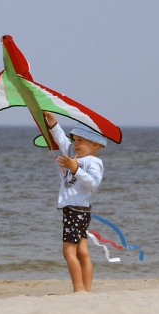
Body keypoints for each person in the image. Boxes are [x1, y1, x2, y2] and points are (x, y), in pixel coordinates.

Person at [43, 112, 107, 293]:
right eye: (75, 140)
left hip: (76, 211)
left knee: (69, 252)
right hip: (77, 210)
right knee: (82, 251)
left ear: (95, 144)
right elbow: (62, 142)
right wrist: (53, 123)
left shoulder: (92, 162)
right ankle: (86, 290)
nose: (75, 144)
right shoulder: (74, 154)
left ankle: (79, 289)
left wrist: (75, 169)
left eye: (80, 141)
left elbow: (93, 184)